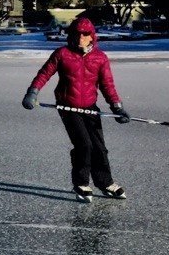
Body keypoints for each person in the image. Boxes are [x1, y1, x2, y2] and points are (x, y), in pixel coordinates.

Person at [22, 16, 130, 202]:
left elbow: (107, 85)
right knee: (84, 145)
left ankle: (105, 182)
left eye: (85, 33)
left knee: (99, 148)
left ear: (92, 36)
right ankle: (81, 183)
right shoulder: (62, 54)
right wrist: (32, 92)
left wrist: (117, 107)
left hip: (89, 107)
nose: (81, 37)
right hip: (68, 107)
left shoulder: (100, 58)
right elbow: (44, 73)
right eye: (77, 33)